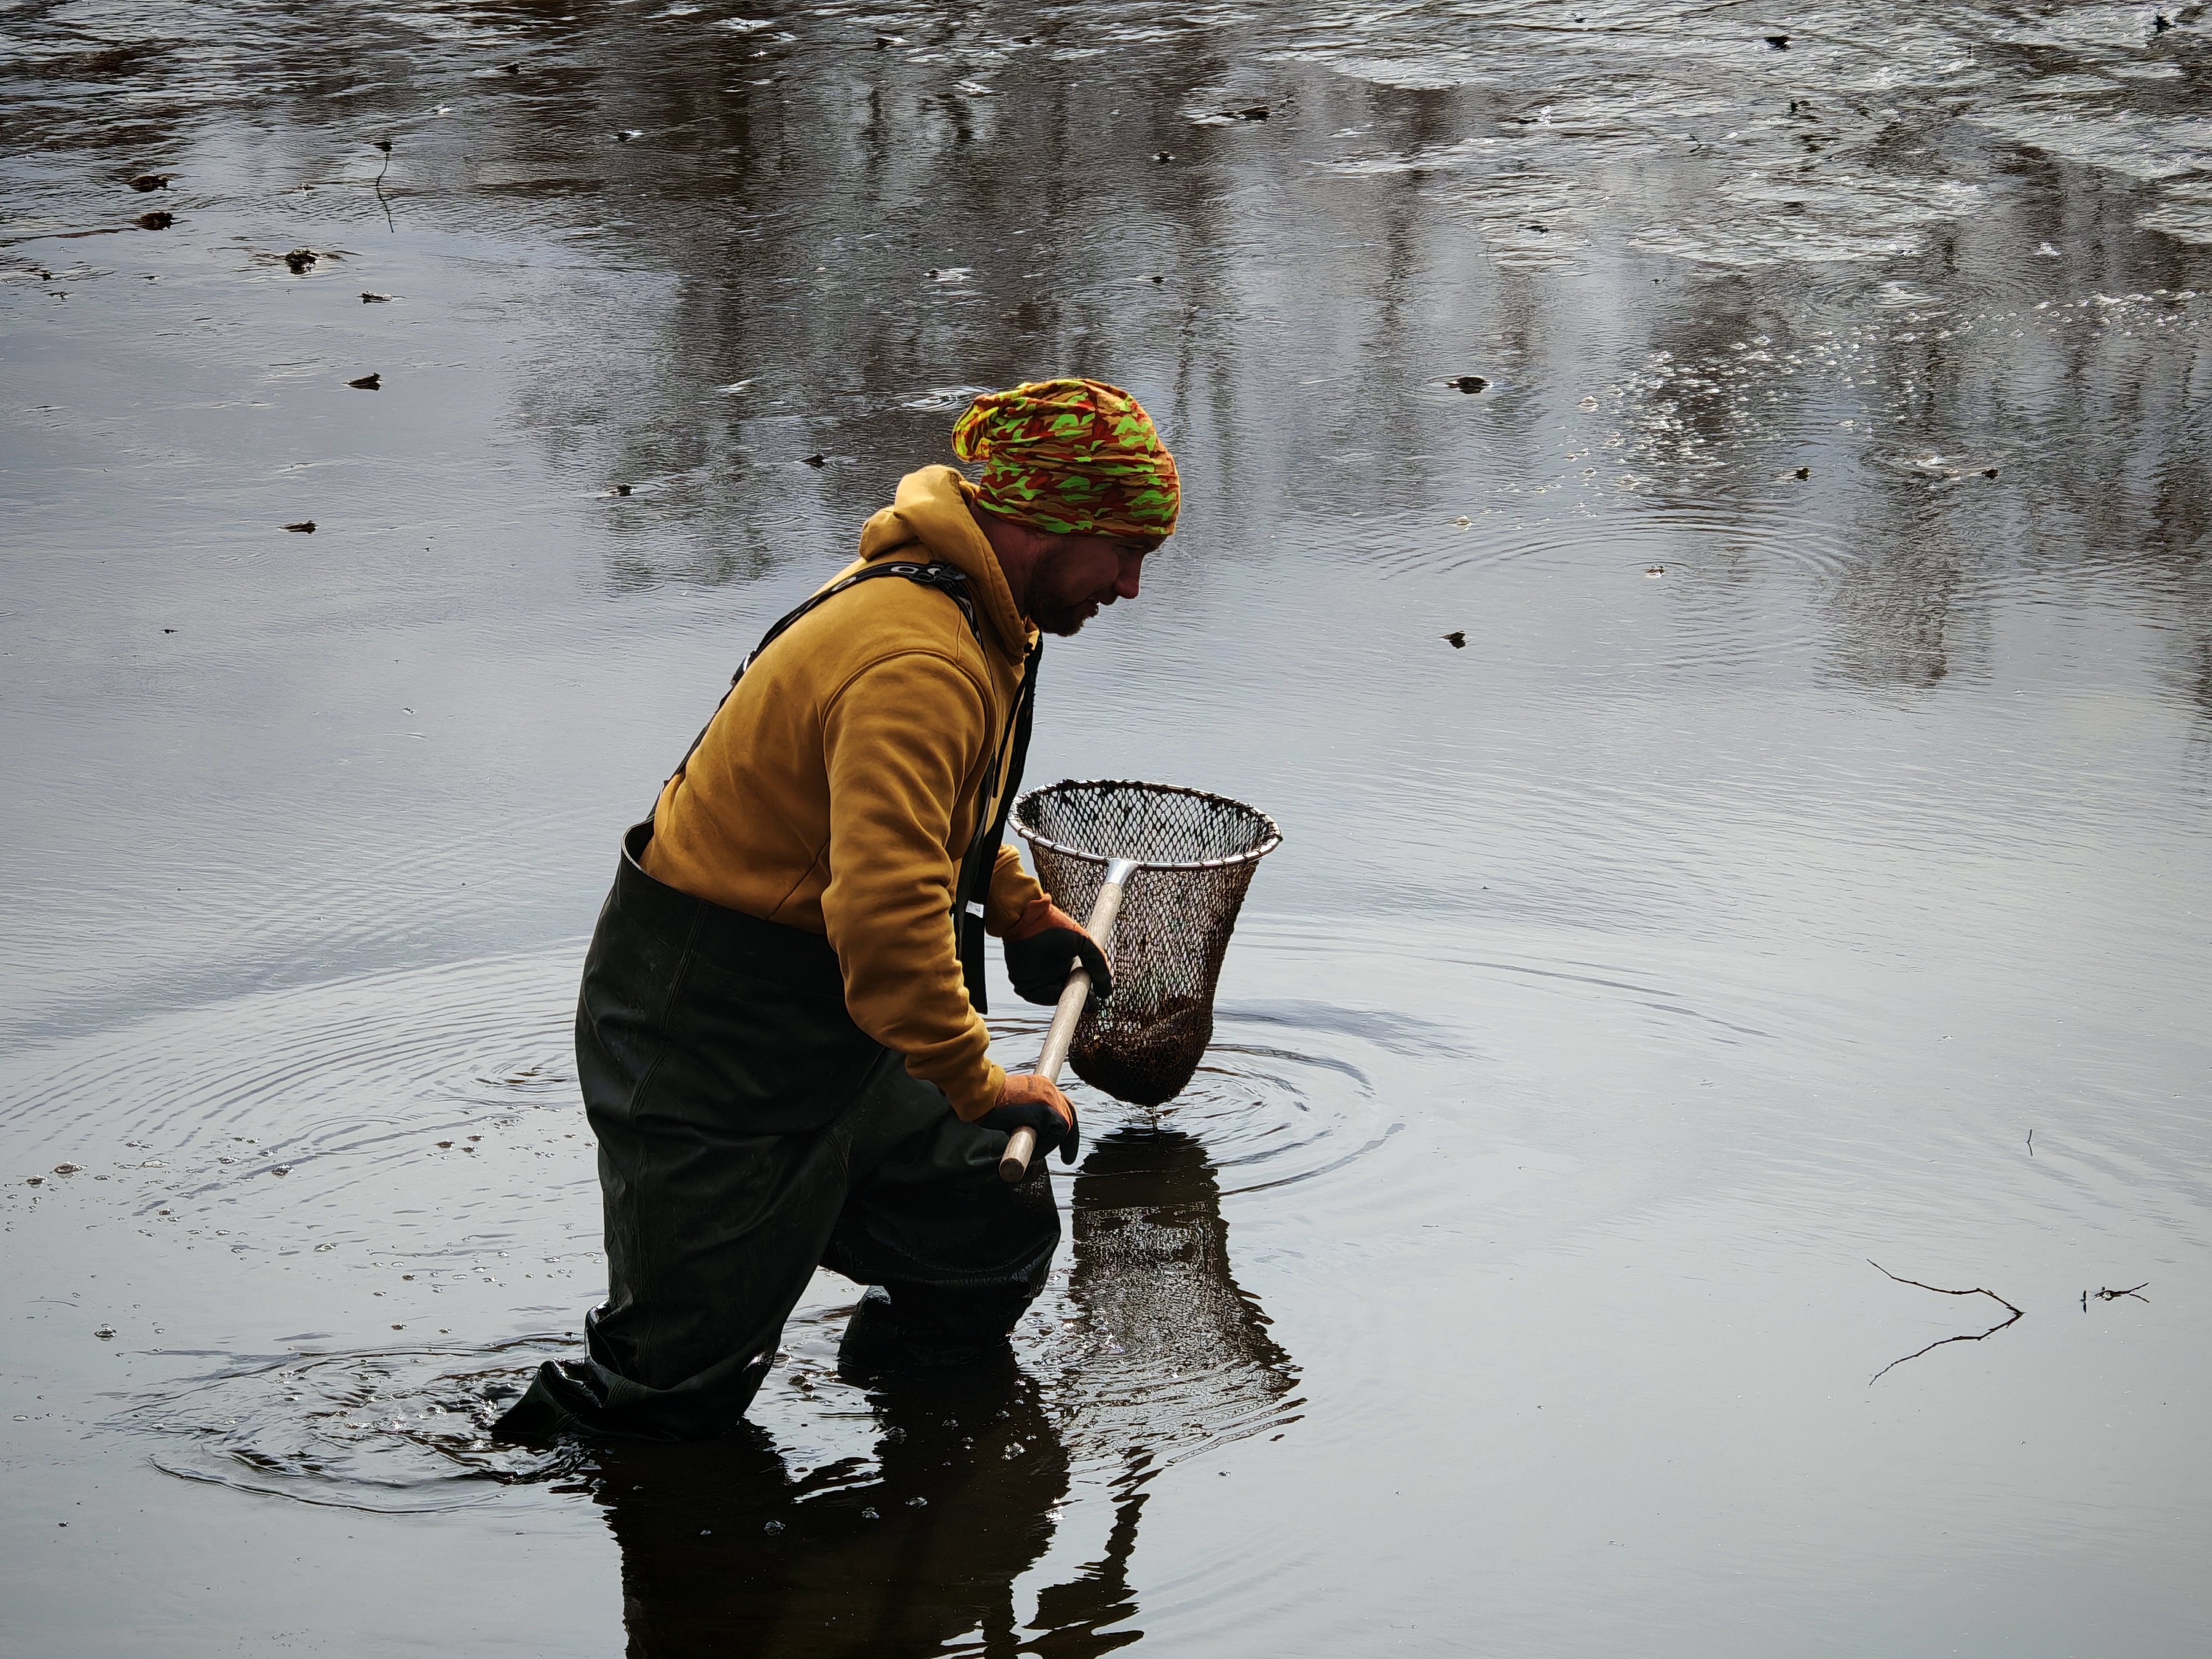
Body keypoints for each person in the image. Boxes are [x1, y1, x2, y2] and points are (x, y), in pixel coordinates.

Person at [495, 378, 1180, 1441]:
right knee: (671, 1393)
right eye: (1122, 551)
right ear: (1045, 523)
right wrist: (971, 1082)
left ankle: (923, 1487)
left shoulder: (987, 620)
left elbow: (922, 816)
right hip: (708, 1034)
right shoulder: (914, 652)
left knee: (982, 1227)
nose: (1132, 587)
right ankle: (574, 1487)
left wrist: (1019, 911)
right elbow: (884, 911)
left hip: (835, 1024)